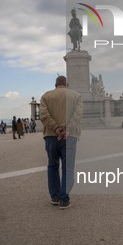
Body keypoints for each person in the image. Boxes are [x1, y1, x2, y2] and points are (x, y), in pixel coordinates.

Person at [40, 75, 83, 209]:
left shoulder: (46, 96)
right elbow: (77, 116)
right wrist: (67, 130)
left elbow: (44, 116)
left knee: (52, 166)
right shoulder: (76, 96)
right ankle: (64, 199)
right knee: (67, 167)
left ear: (55, 85)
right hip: (69, 137)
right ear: (67, 84)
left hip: (51, 136)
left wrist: (56, 129)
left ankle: (55, 196)